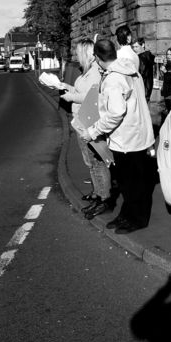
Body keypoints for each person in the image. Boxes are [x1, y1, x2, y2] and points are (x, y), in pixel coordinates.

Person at [78, 39, 156, 234]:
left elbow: (115, 113)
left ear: (97, 58)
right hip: (138, 134)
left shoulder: (113, 79)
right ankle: (127, 215)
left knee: (131, 184)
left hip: (126, 139)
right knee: (133, 182)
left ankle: (137, 219)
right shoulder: (130, 69)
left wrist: (93, 132)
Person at [60, 38, 113, 220]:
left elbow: (93, 96)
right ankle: (98, 194)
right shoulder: (87, 71)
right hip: (82, 119)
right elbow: (80, 91)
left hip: (90, 120)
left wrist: (72, 98)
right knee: (91, 162)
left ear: (86, 53)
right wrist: (66, 87)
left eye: (79, 52)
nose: (76, 55)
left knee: (97, 162)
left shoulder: (95, 72)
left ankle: (104, 199)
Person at [132, 37, 155, 104]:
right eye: (133, 47)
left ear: (143, 45)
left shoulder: (142, 57)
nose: (134, 49)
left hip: (141, 88)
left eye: (136, 47)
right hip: (147, 88)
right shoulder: (148, 56)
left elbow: (141, 73)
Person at [159, 46, 171, 123]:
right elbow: (163, 79)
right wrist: (162, 71)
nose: (168, 56)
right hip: (166, 93)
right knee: (167, 113)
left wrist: (165, 72)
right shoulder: (167, 64)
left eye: (170, 54)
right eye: (167, 54)